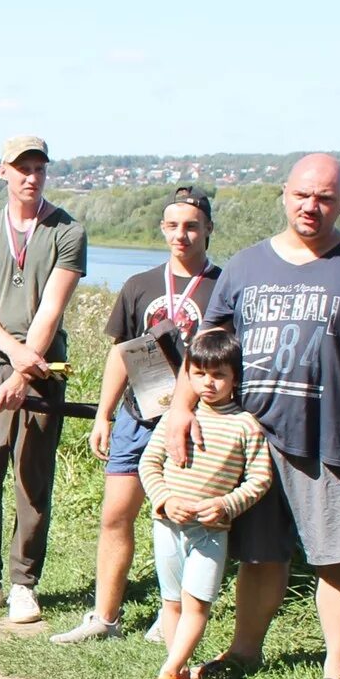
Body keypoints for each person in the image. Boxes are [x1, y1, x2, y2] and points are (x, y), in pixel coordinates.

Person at [164, 153, 340, 679]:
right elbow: (205, 349)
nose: (312, 207)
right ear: (284, 195)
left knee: (334, 555)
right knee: (259, 554)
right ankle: (244, 652)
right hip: (250, 437)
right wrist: (182, 409)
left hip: (328, 438)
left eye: (325, 197)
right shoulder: (247, 266)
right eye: (302, 195)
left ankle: (337, 665)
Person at [52, 187, 220, 645]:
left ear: (208, 228)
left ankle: (173, 616)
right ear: (162, 228)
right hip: (137, 416)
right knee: (115, 514)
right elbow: (119, 355)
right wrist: (104, 414)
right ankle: (105, 618)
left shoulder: (224, 287)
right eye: (172, 225)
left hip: (193, 421)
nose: (181, 235)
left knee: (179, 521)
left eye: (191, 226)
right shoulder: (139, 286)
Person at [0, 135, 87, 623]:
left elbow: (51, 309)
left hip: (44, 368)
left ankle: (24, 583)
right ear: (2, 171)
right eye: (21, 167)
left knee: (32, 478)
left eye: (39, 168)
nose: (31, 176)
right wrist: (12, 355)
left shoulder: (67, 231)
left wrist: (27, 371)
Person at [136, 329, 272, 679]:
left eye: (219, 375)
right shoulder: (176, 418)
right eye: (199, 374)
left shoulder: (246, 425)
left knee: (198, 602)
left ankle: (168, 669)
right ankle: (179, 671)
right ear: (188, 374)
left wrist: (227, 505)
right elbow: (149, 464)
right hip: (168, 525)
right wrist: (164, 500)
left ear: (235, 378)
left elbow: (259, 479)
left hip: (211, 531)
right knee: (171, 602)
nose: (208, 383)